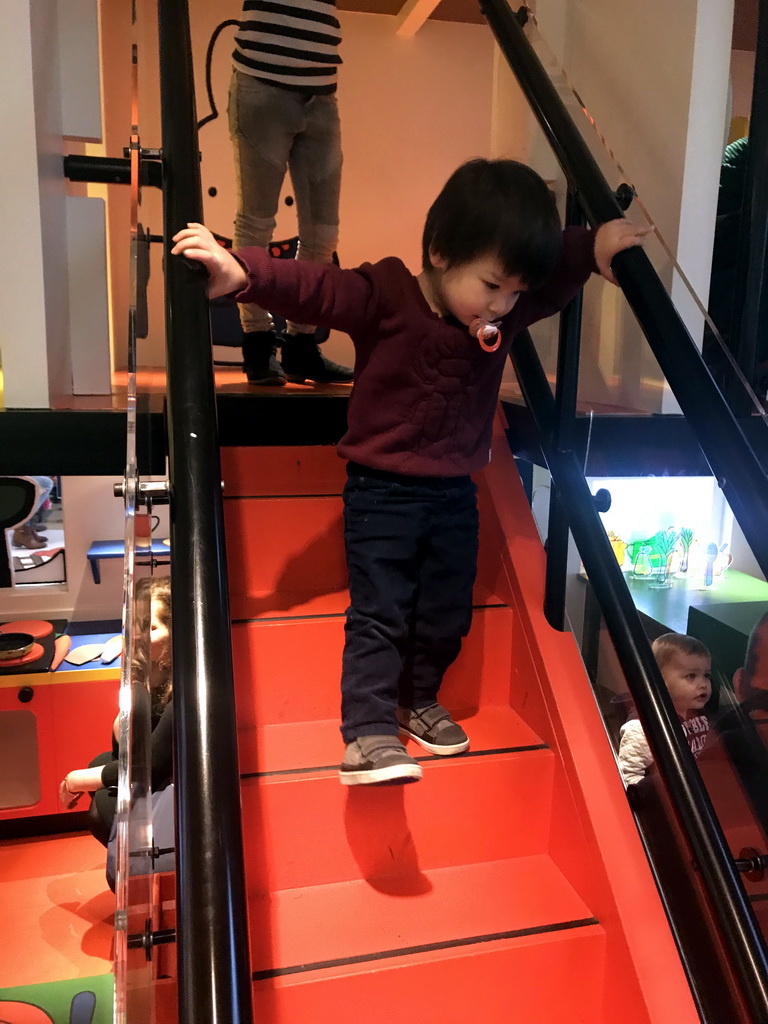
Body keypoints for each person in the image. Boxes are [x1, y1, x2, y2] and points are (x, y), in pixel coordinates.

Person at [172, 157, 649, 785]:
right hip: (382, 492)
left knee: (447, 609)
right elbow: (316, 286)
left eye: (514, 293)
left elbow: (555, 277)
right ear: (441, 253)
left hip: (455, 491)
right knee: (382, 610)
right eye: (493, 285)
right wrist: (243, 274)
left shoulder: (499, 317)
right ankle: (366, 733)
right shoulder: (385, 294)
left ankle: (415, 699)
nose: (505, 306)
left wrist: (595, 244)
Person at [229, 0, 353, 386]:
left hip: (322, 91)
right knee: (257, 223)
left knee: (322, 233)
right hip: (261, 81)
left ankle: (301, 344)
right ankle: (258, 342)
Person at [59, 577, 173, 844]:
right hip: (155, 769)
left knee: (102, 807)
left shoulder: (184, 687)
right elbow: (126, 740)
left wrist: (76, 780)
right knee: (99, 763)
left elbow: (151, 765)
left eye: (150, 627)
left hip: (177, 784)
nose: (136, 637)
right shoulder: (155, 666)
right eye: (134, 626)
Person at [618, 633, 712, 786]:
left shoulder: (697, 714)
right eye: (691, 676)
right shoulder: (642, 729)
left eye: (706, 675)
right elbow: (628, 776)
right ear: (660, 680)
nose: (703, 684)